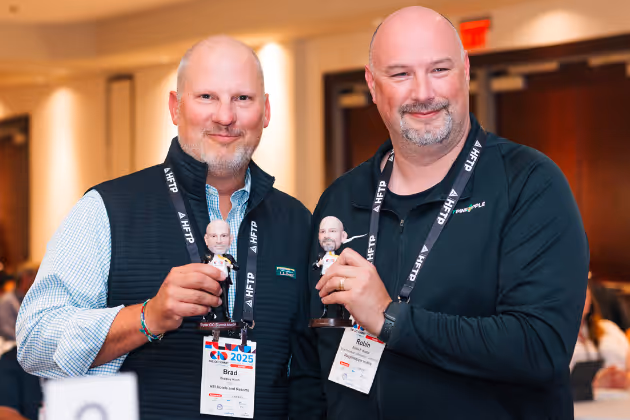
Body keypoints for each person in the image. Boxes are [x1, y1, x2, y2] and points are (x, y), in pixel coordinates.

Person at [291, 6, 589, 419]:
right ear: (372, 85)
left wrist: (391, 319)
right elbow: (310, 360)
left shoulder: (528, 184)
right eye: (400, 74)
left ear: (465, 70)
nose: (423, 92)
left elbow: (540, 347)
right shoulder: (341, 201)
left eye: (439, 69)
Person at [17, 35, 313, 419]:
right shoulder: (107, 209)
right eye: (206, 97)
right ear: (175, 107)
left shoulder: (297, 221)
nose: (225, 116)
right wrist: (146, 317)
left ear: (266, 111)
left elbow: (308, 370)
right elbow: (35, 341)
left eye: (242, 98)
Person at [571, 281, 630, 389]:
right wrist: (594, 385)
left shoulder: (610, 329)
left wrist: (626, 379)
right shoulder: (549, 338)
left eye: (583, 292)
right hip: (585, 397)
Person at [202, 220, 239, 322]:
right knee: (209, 299)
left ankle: (226, 314)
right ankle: (209, 315)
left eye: (223, 236)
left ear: (230, 239)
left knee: (225, 299)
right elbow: (201, 267)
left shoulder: (228, 257)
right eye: (214, 236)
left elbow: (237, 267)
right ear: (206, 240)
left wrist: (230, 265)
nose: (219, 241)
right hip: (210, 282)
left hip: (224, 282)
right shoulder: (207, 257)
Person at [0, 262, 38, 342]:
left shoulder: (32, 299)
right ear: (24, 278)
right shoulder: (7, 301)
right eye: (35, 276)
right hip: (14, 346)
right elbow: (6, 330)